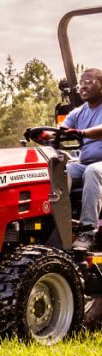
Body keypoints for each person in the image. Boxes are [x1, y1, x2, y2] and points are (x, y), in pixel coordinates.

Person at [61, 68, 102, 250]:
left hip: (96, 167)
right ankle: (59, 224)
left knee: (93, 171)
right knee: (60, 170)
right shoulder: (77, 113)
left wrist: (81, 132)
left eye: (89, 82)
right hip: (84, 163)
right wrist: (45, 134)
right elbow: (61, 131)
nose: (83, 86)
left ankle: (87, 232)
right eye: (81, 82)